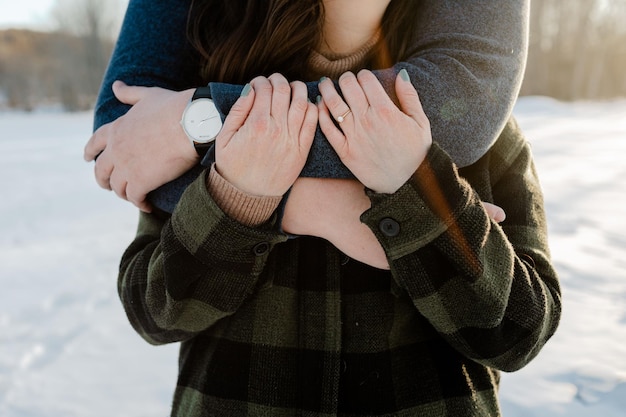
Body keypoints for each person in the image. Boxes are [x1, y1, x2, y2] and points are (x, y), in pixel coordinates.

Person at [84, 0, 561, 416]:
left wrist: (420, 208)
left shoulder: (472, 125)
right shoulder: (213, 115)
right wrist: (254, 200)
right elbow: (153, 312)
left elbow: (517, 331)